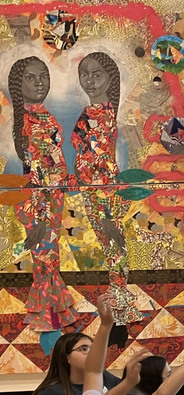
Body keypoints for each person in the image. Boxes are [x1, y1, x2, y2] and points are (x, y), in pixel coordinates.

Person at [72, 51, 142, 327]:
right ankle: (118, 304)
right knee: (110, 247)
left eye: (97, 74)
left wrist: (104, 211)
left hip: (104, 192)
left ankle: (121, 306)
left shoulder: (107, 114)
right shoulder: (91, 111)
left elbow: (100, 164)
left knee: (114, 246)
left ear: (110, 77)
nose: (89, 81)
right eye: (84, 74)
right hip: (91, 192)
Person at [9, 55, 77, 331]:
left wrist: (67, 178)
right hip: (39, 201)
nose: (39, 83)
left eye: (43, 76)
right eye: (31, 77)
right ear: (18, 84)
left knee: (50, 257)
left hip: (52, 196)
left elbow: (53, 159)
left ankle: (55, 316)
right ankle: (47, 319)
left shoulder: (41, 113)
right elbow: (36, 169)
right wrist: (42, 218)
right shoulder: (26, 120)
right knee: (46, 259)